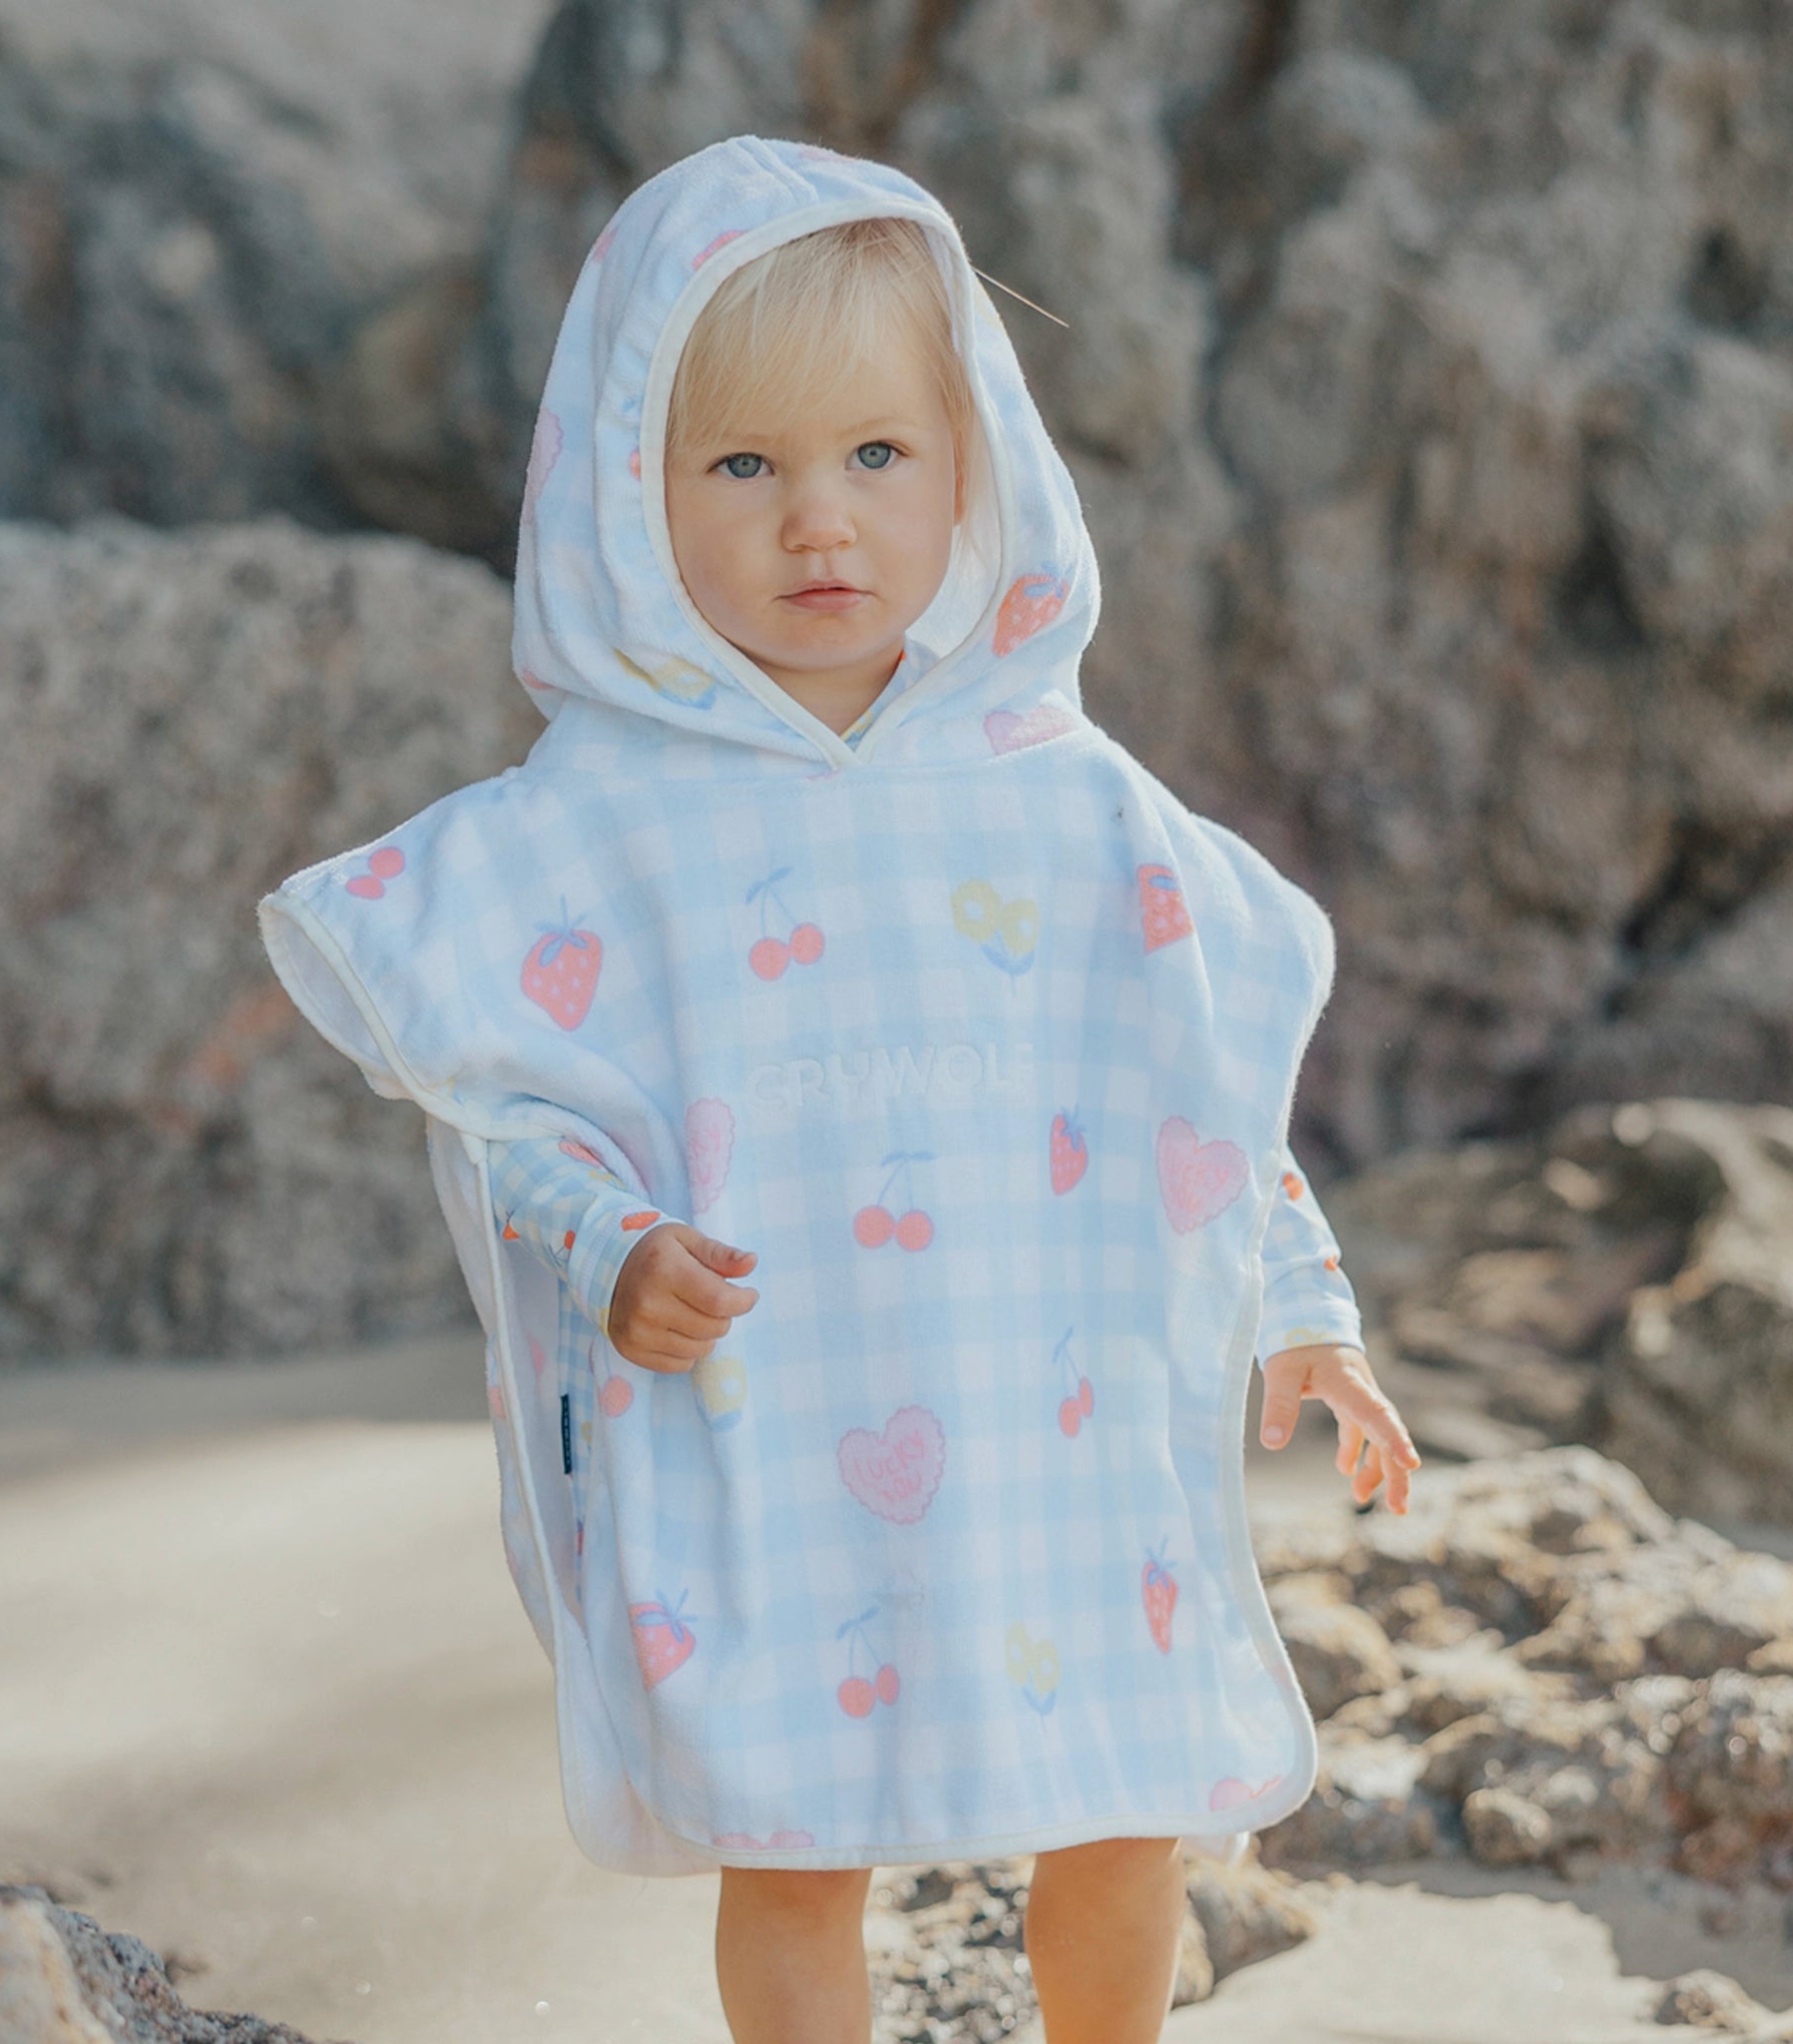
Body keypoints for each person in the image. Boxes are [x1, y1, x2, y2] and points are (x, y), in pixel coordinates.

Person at [257, 133, 1421, 2042]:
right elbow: (512, 1111)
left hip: (1050, 1417)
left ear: (975, 460)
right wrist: (610, 1245)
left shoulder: (1067, 797)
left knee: (1125, 1812)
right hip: (775, 1421)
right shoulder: (604, 822)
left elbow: (1186, 1090)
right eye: (745, 466)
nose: (823, 524)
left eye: (878, 454)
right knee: (792, 1841)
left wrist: (1305, 1307)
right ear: (629, 495)